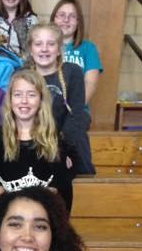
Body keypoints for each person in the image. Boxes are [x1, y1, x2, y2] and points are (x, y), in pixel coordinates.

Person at [0, 68, 75, 212]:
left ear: (41, 100)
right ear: (10, 99)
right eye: (18, 95)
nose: (24, 101)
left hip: (44, 217)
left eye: (31, 95)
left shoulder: (54, 140)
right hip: (7, 217)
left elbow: (54, 192)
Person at [26, 23, 95, 174]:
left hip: (66, 139)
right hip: (32, 140)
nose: (44, 49)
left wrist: (62, 148)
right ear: (31, 49)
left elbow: (76, 113)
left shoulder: (72, 72)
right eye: (38, 44)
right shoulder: (22, 74)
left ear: (59, 49)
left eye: (51, 44)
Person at [50, 0, 103, 106]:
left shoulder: (88, 48)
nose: (66, 20)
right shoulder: (44, 47)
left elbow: (90, 83)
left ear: (78, 21)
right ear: (54, 18)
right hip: (47, 109)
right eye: (62, 15)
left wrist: (74, 109)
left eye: (72, 16)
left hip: (76, 109)